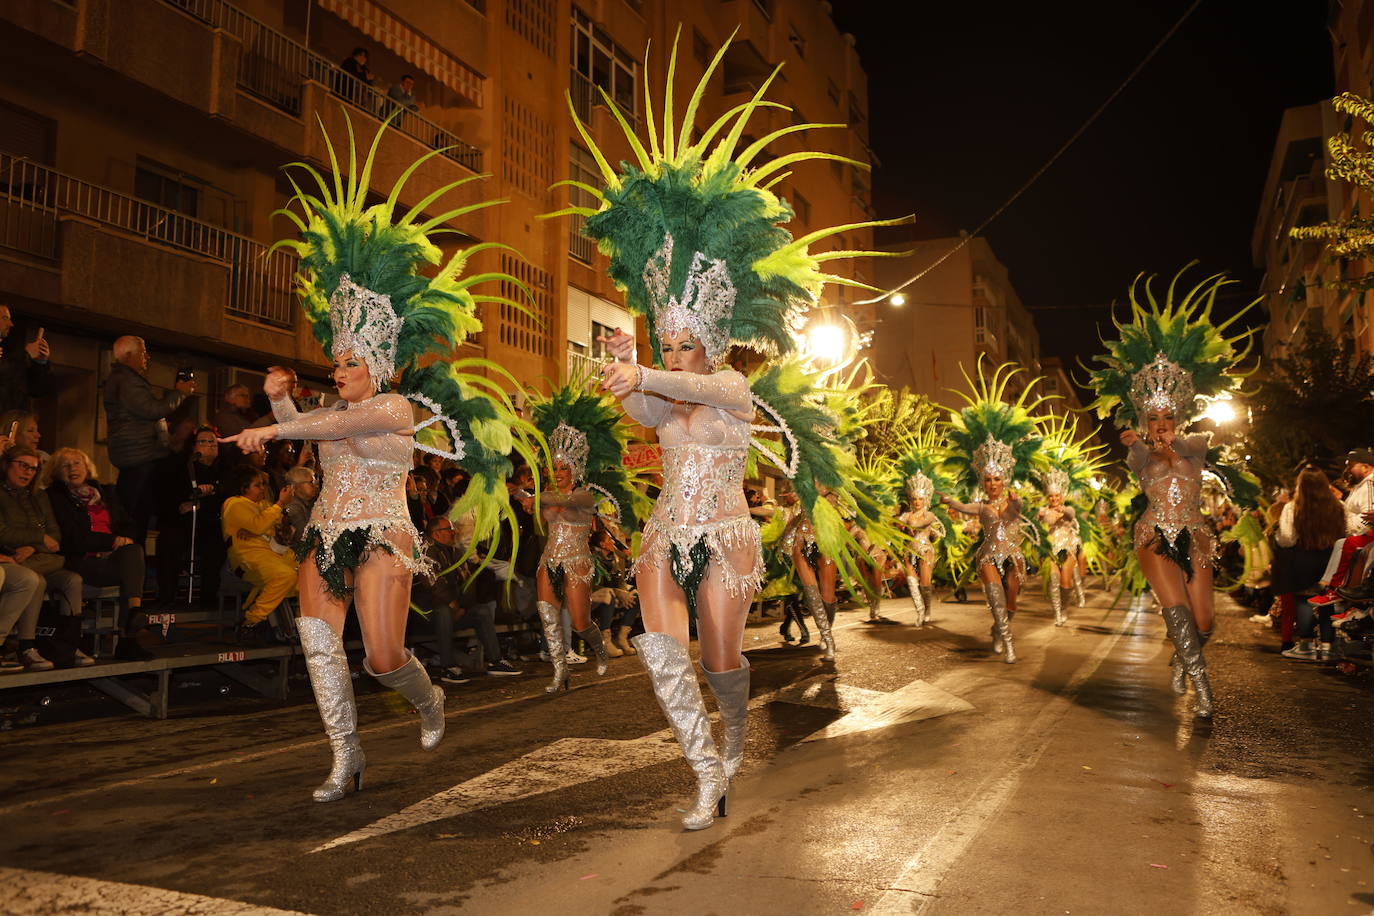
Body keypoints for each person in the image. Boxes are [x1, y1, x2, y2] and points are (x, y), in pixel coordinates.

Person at [220, 114, 537, 803]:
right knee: (316, 639)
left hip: (385, 535)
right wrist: (276, 405)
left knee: (383, 658)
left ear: (379, 364)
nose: (339, 369)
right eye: (335, 360)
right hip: (329, 533)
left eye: (351, 360)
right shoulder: (331, 411)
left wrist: (269, 431)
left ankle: (428, 702)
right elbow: (310, 430)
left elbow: (330, 426)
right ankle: (346, 757)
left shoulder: (395, 409)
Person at [1087, 267, 1257, 718]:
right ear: (1144, 421)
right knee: (1178, 609)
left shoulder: (1195, 446)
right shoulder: (1140, 452)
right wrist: (1138, 446)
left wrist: (1170, 450)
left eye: (1167, 419)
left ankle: (1184, 655)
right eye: (1152, 419)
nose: (1160, 426)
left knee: (1205, 621)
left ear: (1178, 418)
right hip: (1154, 536)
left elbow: (1185, 466)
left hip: (1198, 536)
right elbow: (1139, 461)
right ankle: (1203, 690)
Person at [939, 359, 1044, 665]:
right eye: (988, 479)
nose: (993, 483)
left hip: (1013, 555)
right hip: (987, 554)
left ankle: (1000, 629)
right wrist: (947, 501)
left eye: (997, 478)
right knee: (995, 597)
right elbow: (961, 506)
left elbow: (1019, 508)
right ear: (983, 481)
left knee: (1010, 600)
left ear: (1005, 479)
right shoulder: (982, 506)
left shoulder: (1013, 500)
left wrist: (1015, 502)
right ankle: (1009, 644)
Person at [46, 448, 151, 660]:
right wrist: (111, 541)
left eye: (77, 463)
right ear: (57, 472)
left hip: (114, 558)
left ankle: (132, 616)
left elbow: (129, 525)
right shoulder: (55, 497)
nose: (72, 468)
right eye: (65, 465)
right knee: (130, 569)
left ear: (87, 468)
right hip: (81, 559)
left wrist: (123, 539)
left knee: (134, 552)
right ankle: (129, 635)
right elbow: (71, 537)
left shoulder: (105, 493)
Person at [0, 446, 87, 668]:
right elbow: (4, 533)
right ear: (6, 464)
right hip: (12, 558)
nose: (27, 472)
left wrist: (32, 546)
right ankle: (26, 647)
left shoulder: (38, 496)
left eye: (33, 468)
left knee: (72, 579)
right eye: (23, 465)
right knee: (35, 579)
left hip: (35, 557)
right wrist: (40, 538)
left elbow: (56, 536)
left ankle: (67, 644)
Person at [104, 335, 194, 541]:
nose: (147, 356)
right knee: (134, 518)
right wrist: (179, 393)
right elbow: (150, 409)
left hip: (140, 454)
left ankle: (135, 559)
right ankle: (131, 561)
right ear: (128, 355)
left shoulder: (126, 379)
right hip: (139, 456)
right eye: (143, 352)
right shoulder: (126, 380)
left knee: (139, 516)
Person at [412, 515, 520, 677]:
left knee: (481, 611)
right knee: (443, 612)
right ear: (436, 533)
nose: (453, 532)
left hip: (454, 609)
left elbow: (467, 582)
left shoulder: (454, 552)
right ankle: (448, 667)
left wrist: (462, 606)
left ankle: (495, 662)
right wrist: (453, 604)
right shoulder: (425, 552)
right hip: (428, 613)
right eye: (449, 529)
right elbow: (432, 582)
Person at [1273, 467, 1347, 661]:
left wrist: (1278, 537)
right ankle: (1328, 647)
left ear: (1301, 485)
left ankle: (1306, 646)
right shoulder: (1338, 506)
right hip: (1331, 558)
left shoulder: (1293, 507)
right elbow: (1348, 531)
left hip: (1303, 557)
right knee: (1327, 602)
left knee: (1304, 601)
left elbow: (1287, 538)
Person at [220, 466, 298, 645]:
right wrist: (278, 506)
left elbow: (270, 527)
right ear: (243, 487)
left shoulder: (263, 505)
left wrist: (265, 523)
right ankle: (250, 622)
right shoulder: (234, 504)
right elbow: (259, 525)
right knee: (285, 576)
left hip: (272, 554)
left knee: (307, 576)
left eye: (263, 484)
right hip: (247, 557)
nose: (263, 488)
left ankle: (300, 628)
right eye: (257, 485)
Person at [155, 426, 226, 607]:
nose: (209, 445)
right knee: (169, 540)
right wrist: (188, 498)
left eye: (213, 441)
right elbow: (170, 496)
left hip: (212, 520)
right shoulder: (182, 467)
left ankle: (208, 599)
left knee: (215, 546)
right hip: (183, 521)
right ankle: (167, 596)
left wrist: (204, 501)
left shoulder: (226, 468)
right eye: (203, 441)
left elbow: (228, 495)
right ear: (193, 446)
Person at [897, 470, 944, 627]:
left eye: (920, 499)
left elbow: (920, 524)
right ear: (911, 499)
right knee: (911, 582)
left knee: (925, 584)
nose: (917, 502)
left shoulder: (929, 515)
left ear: (926, 500)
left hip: (925, 551)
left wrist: (908, 523)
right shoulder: (905, 515)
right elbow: (895, 525)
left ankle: (928, 610)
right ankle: (920, 612)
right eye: (914, 499)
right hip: (909, 551)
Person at [1038, 470, 1081, 627]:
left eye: (1057, 496)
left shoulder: (1068, 509)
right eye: (1051, 496)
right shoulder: (1043, 511)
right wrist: (1042, 514)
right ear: (1047, 497)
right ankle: (1057, 613)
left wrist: (1063, 511)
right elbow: (1037, 520)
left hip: (1067, 549)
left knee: (1065, 583)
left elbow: (1070, 515)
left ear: (1062, 496)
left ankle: (1064, 609)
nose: (1054, 498)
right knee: (1054, 581)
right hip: (1050, 550)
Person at [0, 306, 50, 415]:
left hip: (11, 421)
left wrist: (39, 362)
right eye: (4, 318)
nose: (11, 324)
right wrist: (26, 354)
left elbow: (35, 390)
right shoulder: (12, 357)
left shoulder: (8, 351)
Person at [279, 466, 319, 552]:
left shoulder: (308, 502)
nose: (315, 486)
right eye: (311, 482)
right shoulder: (293, 507)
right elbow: (304, 537)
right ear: (296, 486)